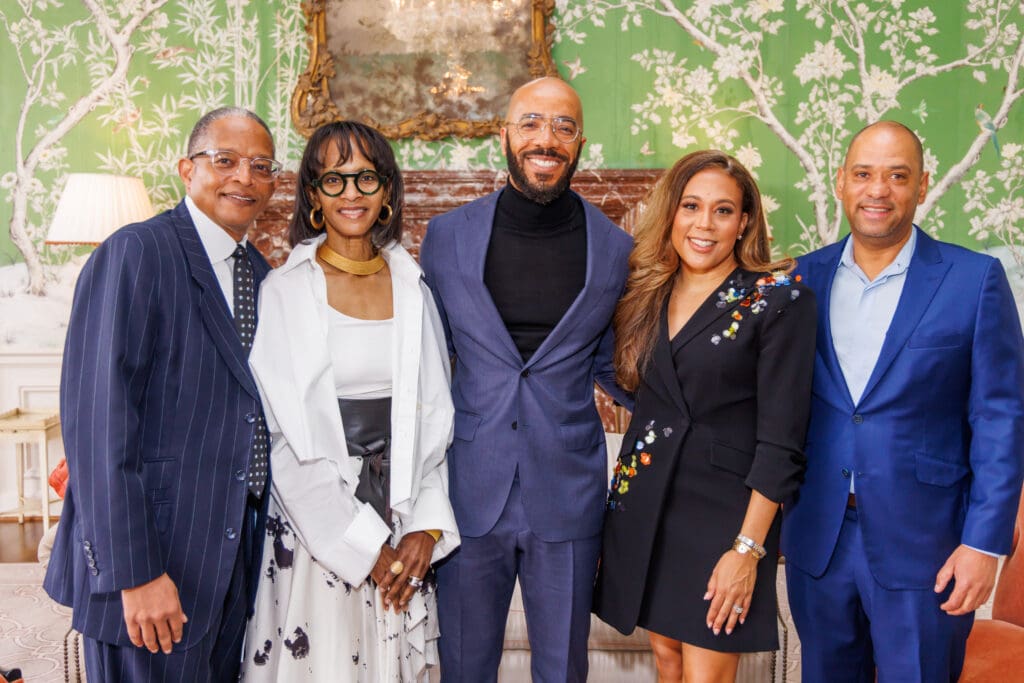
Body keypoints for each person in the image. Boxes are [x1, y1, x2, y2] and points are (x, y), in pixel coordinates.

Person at [782, 120, 1024, 682]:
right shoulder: (799, 278)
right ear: (841, 181)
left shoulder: (975, 279)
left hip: (928, 546)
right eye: (863, 174)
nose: (878, 190)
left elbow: (1001, 419)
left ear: (922, 184)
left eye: (897, 176)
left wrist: (983, 545)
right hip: (819, 539)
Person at [44, 107, 280, 681]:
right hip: (153, 561)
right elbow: (98, 425)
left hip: (234, 551)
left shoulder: (260, 272)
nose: (244, 177)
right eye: (225, 160)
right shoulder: (136, 252)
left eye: (261, 166)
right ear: (187, 169)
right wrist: (135, 572)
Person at [419, 76, 633, 682]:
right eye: (532, 123)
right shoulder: (446, 238)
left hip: (569, 491)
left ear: (580, 142)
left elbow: (614, 362)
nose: (547, 139)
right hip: (469, 489)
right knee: (463, 668)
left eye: (564, 127)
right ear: (505, 134)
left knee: (563, 670)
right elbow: (425, 361)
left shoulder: (617, 249)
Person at [239, 120, 459, 682]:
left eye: (366, 177)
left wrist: (426, 528)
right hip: (318, 531)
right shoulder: (285, 291)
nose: (351, 193)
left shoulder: (413, 287)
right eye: (333, 180)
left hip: (401, 513)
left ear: (387, 191)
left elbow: (435, 422)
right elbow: (282, 439)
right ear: (313, 196)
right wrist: (363, 544)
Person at [591, 151, 816, 682]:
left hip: (723, 517)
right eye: (691, 206)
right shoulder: (646, 293)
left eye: (723, 210)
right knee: (668, 662)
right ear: (672, 212)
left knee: (705, 674)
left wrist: (748, 550)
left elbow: (782, 442)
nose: (704, 224)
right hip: (645, 504)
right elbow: (648, 391)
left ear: (744, 222)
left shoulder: (779, 299)